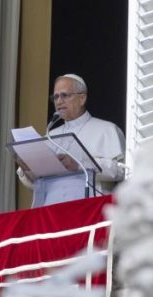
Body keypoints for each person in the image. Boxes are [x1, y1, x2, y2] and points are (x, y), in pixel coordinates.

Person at [16, 74, 126, 207]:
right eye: (55, 97)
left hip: (90, 209)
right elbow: (37, 183)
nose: (59, 101)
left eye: (64, 95)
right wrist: (28, 169)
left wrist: (79, 165)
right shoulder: (50, 135)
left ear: (82, 98)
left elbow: (121, 171)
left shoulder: (106, 129)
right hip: (51, 211)